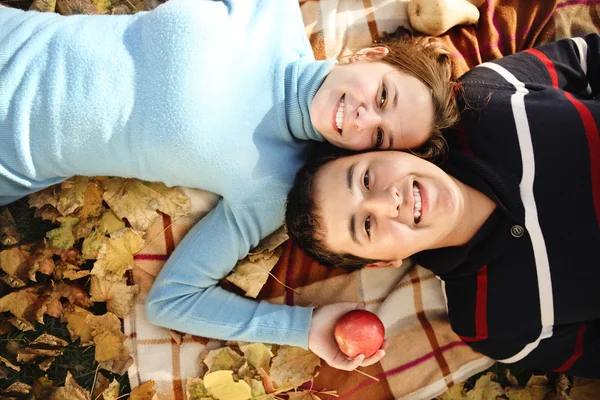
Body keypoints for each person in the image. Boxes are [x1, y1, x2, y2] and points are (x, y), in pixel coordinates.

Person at [0, 0, 459, 370]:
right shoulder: (271, 13)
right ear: (371, 55)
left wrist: (305, 328)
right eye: (383, 95)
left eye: (380, 136)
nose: (365, 116)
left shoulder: (271, 185)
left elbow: (173, 301)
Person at [285, 34, 600, 376]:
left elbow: (588, 58)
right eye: (367, 226)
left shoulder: (482, 97)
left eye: (366, 180)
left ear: (386, 149)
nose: (387, 201)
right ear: (384, 262)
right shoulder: (491, 326)